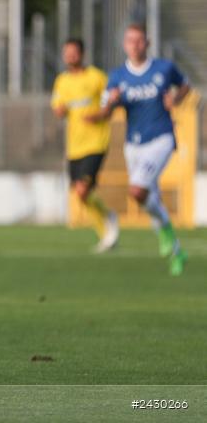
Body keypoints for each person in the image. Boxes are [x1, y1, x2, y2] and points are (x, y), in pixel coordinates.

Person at [89, 24, 191, 275]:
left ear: (147, 43)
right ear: (124, 45)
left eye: (138, 40)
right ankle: (175, 249)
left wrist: (176, 99)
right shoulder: (116, 77)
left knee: (137, 190)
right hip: (133, 144)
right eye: (129, 41)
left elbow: (185, 84)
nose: (134, 45)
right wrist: (109, 106)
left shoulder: (163, 68)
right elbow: (105, 112)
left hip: (161, 138)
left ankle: (167, 236)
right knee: (148, 198)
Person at [51, 38, 118, 253]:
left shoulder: (97, 77)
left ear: (82, 53)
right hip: (74, 145)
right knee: (81, 194)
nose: (70, 56)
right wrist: (59, 111)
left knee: (82, 190)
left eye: (73, 52)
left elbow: (110, 104)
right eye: (66, 52)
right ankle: (107, 219)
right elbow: (58, 106)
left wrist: (99, 114)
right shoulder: (61, 81)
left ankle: (107, 232)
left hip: (96, 142)